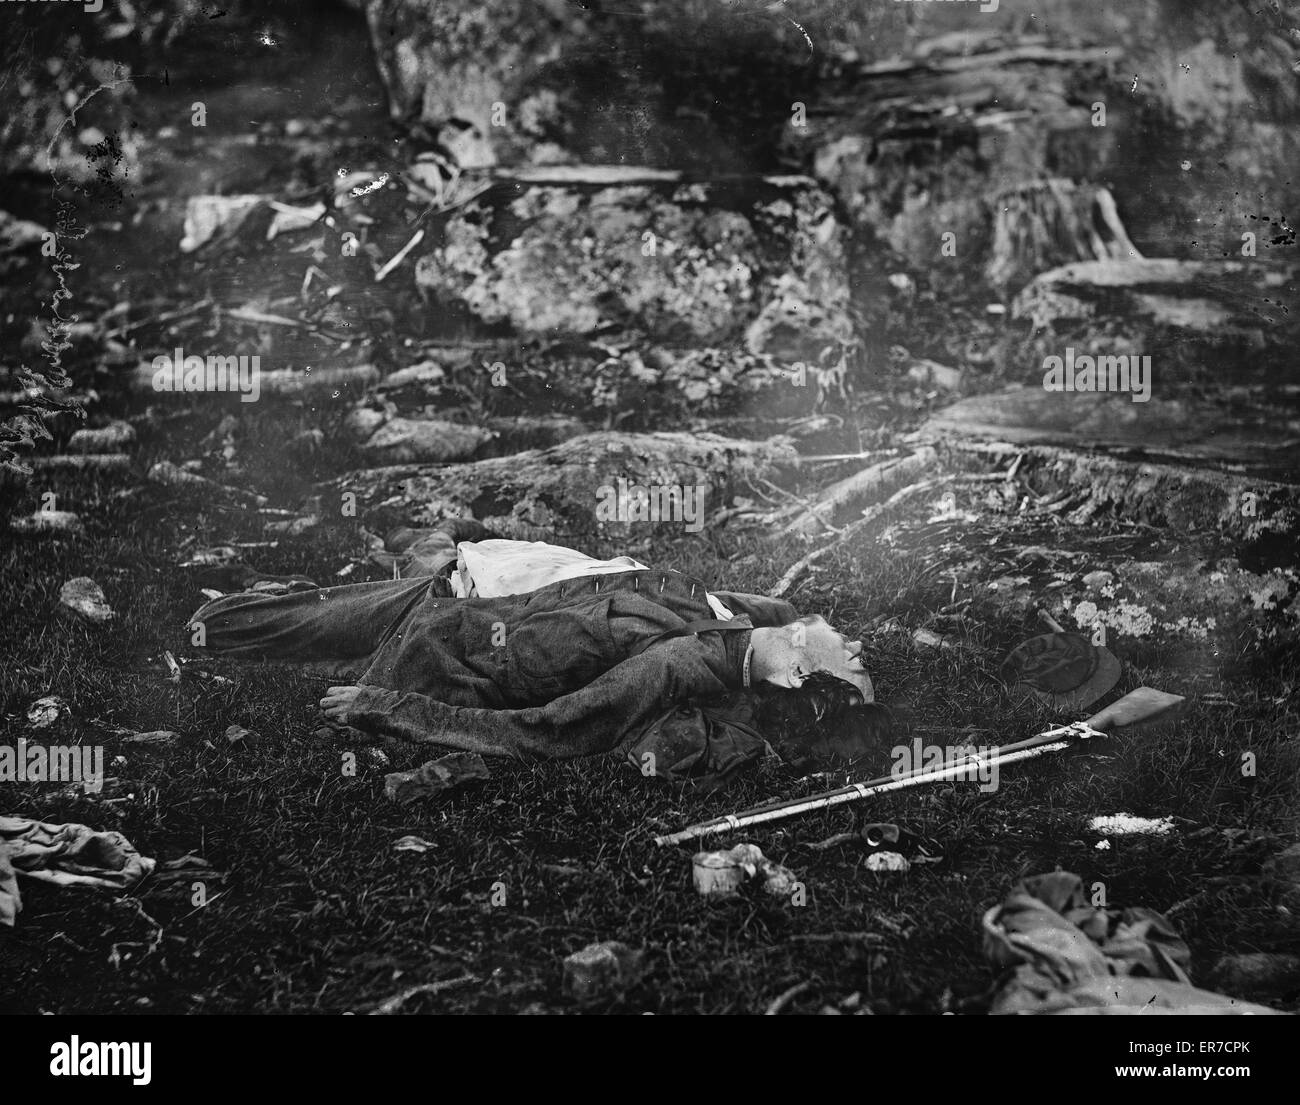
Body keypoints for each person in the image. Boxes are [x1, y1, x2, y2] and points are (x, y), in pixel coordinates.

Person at [187, 532, 880, 764]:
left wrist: (392, 708)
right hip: (480, 577)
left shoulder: (681, 665)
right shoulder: (751, 618)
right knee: (232, 619)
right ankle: (271, 595)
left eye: (823, 648)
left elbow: (549, 731)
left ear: (792, 678)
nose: (842, 636)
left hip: (440, 640)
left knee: (227, 629)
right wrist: (807, 636)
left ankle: (247, 613)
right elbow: (790, 616)